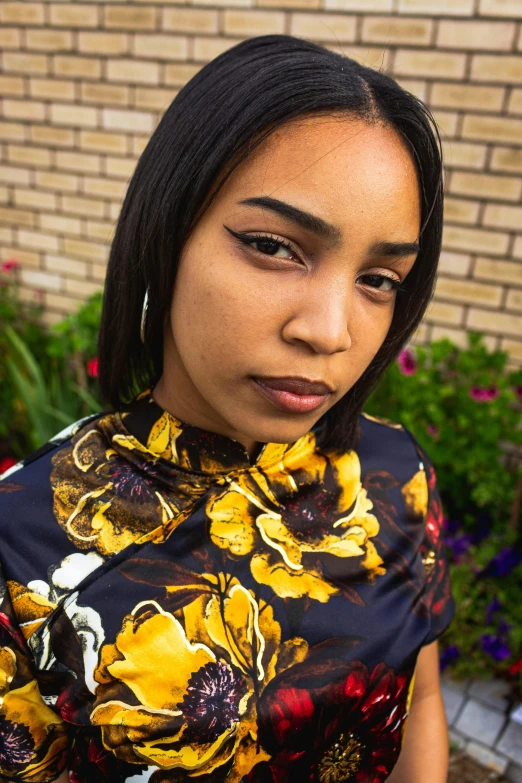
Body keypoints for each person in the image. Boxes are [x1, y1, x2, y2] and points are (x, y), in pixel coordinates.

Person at [0, 33, 455, 783]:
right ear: (167, 230)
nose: (331, 331)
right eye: (275, 246)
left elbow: (423, 694)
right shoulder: (23, 548)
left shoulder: (394, 472)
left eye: (379, 278)